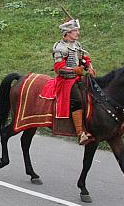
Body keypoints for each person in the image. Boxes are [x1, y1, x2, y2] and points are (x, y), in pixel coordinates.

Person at [40, 17, 96, 146]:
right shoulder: (60, 48)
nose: (78, 33)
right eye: (75, 31)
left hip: (78, 78)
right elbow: (59, 70)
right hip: (66, 81)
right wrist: (76, 70)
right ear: (67, 33)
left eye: (77, 30)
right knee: (77, 100)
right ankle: (80, 133)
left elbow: (84, 58)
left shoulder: (77, 45)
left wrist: (89, 66)